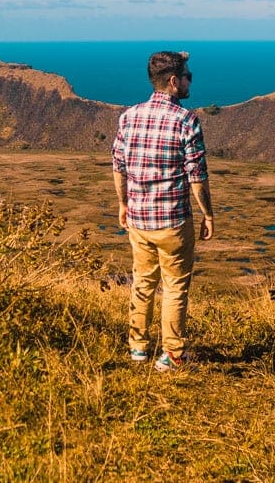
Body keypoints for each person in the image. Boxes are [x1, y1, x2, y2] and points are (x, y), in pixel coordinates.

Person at [111, 51, 214, 372]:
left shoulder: (129, 117)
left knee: (142, 282)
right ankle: (172, 354)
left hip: (139, 219)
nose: (189, 80)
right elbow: (197, 176)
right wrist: (208, 215)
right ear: (173, 81)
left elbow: (119, 166)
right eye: (187, 75)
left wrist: (123, 204)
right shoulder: (186, 120)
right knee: (174, 287)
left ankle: (138, 348)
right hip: (172, 221)